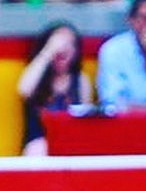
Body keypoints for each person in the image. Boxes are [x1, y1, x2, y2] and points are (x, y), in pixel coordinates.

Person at [17, 22, 92, 155]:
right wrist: (49, 51)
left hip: (70, 145)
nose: (63, 48)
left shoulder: (81, 80)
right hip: (37, 146)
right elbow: (23, 90)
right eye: (59, 42)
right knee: (39, 147)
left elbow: (84, 118)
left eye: (70, 43)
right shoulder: (36, 76)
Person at [97, 0, 146, 110]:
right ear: (131, 20)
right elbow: (113, 103)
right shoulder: (112, 50)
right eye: (144, 18)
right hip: (128, 121)